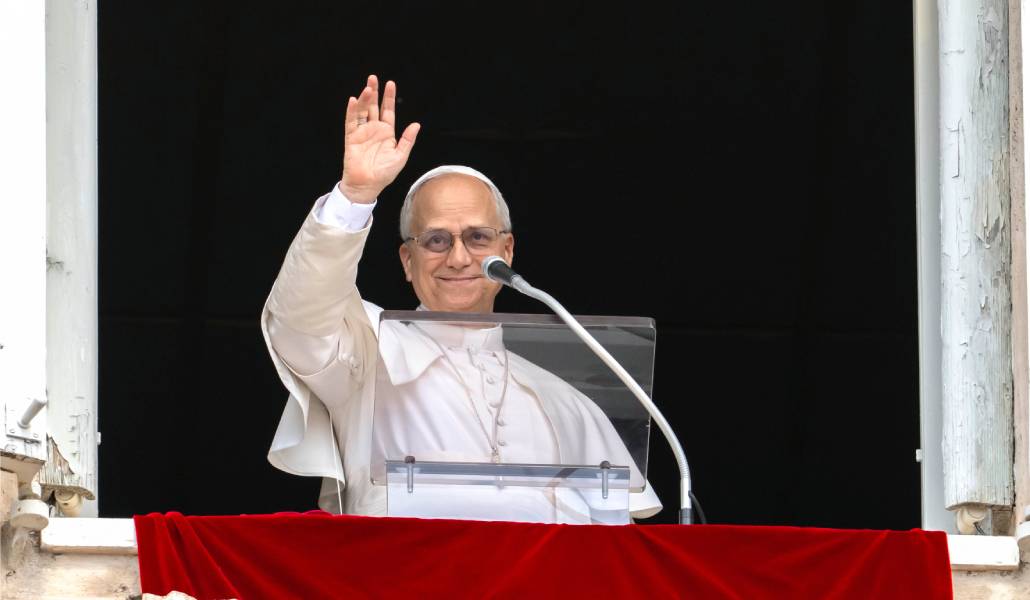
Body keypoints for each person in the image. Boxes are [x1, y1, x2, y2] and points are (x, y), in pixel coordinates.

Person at [261, 75, 661, 522]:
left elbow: (615, 536)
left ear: (506, 251)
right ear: (407, 260)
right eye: (435, 240)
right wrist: (355, 196)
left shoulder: (563, 397)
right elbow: (300, 318)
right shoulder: (365, 353)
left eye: (477, 237)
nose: (458, 257)